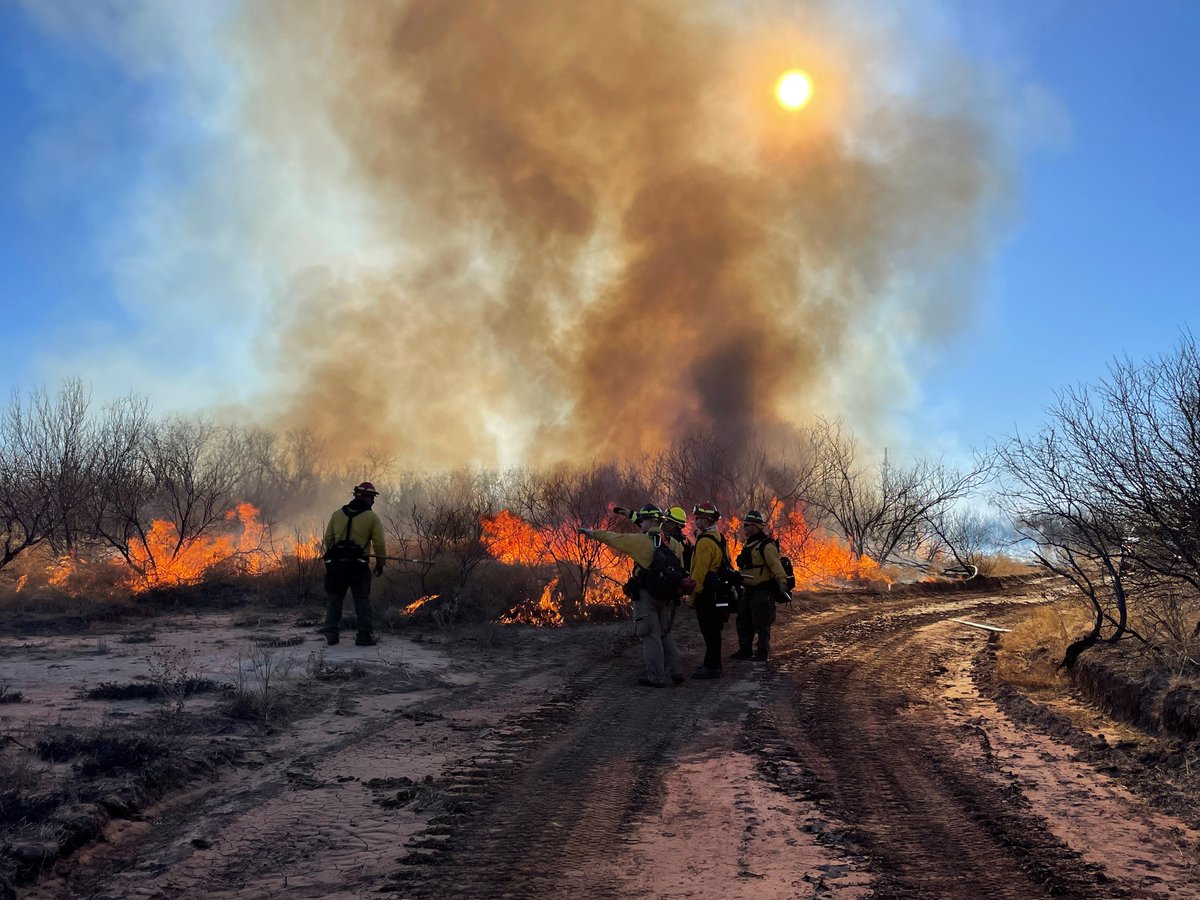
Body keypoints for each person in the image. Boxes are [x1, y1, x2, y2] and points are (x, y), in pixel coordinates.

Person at [580, 504, 686, 687]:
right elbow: (681, 569)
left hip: (647, 596)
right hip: (669, 597)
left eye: (643, 520)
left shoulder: (641, 541)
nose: (641, 523)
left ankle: (656, 677)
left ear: (651, 521)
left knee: (650, 635)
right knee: (664, 634)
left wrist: (592, 533)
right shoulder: (675, 544)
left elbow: (615, 538)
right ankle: (676, 671)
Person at [322, 481, 387, 646]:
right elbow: (379, 543)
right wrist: (380, 563)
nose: (373, 501)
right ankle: (364, 636)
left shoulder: (337, 514)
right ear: (365, 498)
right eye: (372, 497)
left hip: (337, 567)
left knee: (335, 599)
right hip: (358, 566)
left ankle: (331, 634)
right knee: (362, 600)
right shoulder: (371, 517)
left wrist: (337, 554)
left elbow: (328, 539)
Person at [732, 510, 791, 662]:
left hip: (762, 590)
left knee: (761, 621)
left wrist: (782, 582)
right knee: (743, 620)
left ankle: (762, 651)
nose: (744, 527)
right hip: (748, 589)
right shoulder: (749, 544)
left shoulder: (766, 545)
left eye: (747, 525)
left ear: (757, 526)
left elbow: (775, 565)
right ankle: (745, 649)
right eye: (744, 525)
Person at [687, 501, 730, 679]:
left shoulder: (704, 542)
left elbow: (699, 571)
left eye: (698, 518)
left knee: (709, 631)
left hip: (707, 593)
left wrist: (692, 597)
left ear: (705, 520)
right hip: (718, 591)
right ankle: (711, 663)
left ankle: (713, 667)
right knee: (714, 630)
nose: (696, 521)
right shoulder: (719, 538)